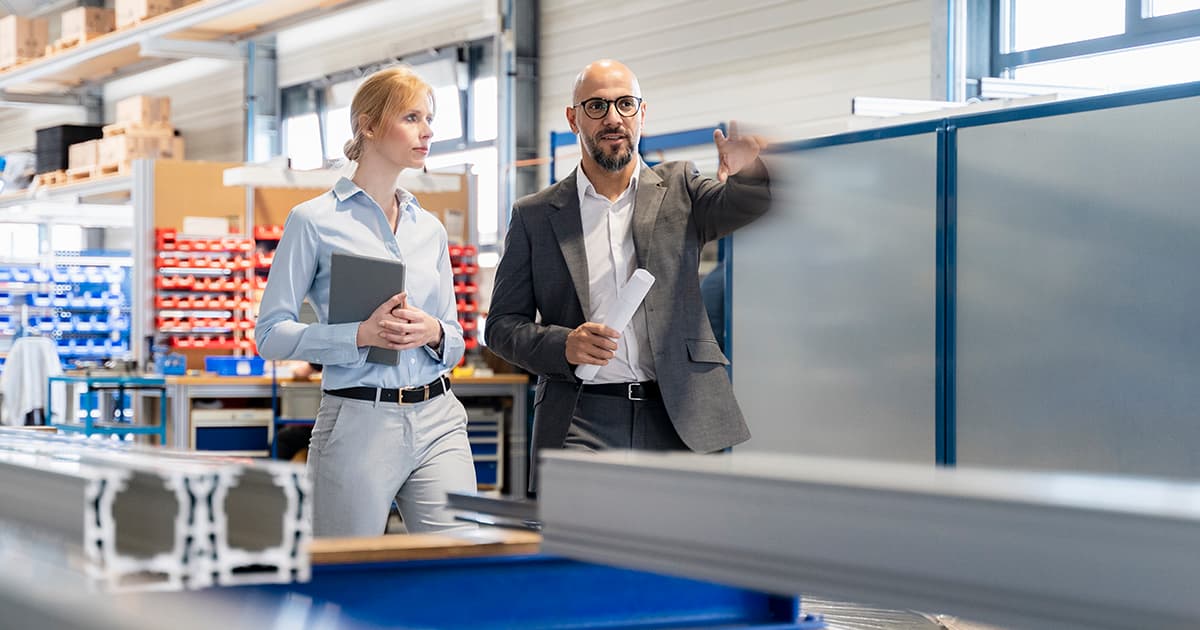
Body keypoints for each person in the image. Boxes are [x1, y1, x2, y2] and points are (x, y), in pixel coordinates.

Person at [485, 59, 771, 491]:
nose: (613, 118)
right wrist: (565, 344)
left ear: (642, 113)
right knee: (582, 550)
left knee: (678, 553)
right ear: (573, 117)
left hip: (677, 416)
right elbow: (501, 327)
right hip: (581, 419)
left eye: (625, 104)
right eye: (597, 106)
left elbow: (744, 205)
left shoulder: (682, 188)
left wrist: (749, 173)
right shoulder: (535, 216)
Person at [257, 66, 474, 536]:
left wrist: (433, 332)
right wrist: (359, 335)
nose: (428, 130)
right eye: (412, 117)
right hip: (358, 419)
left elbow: (455, 339)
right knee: (344, 576)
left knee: (461, 569)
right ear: (369, 125)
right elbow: (270, 335)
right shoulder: (312, 221)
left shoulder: (429, 229)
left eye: (429, 118)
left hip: (439, 417)